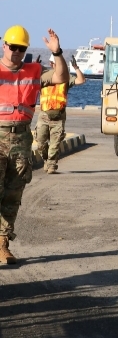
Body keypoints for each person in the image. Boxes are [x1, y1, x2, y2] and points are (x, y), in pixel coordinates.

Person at [0, 26, 69, 265]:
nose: (16, 52)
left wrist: (57, 52)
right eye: (12, 46)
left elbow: (61, 77)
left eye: (21, 48)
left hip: (21, 141)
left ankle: (2, 244)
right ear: (4, 45)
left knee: (12, 195)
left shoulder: (34, 71)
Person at [35, 54, 85, 174]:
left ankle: (52, 164)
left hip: (58, 117)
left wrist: (76, 67)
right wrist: (35, 66)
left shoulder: (66, 78)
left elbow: (81, 80)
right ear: (52, 64)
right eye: (56, 63)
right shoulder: (44, 76)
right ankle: (47, 159)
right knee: (40, 142)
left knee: (55, 143)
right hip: (44, 115)